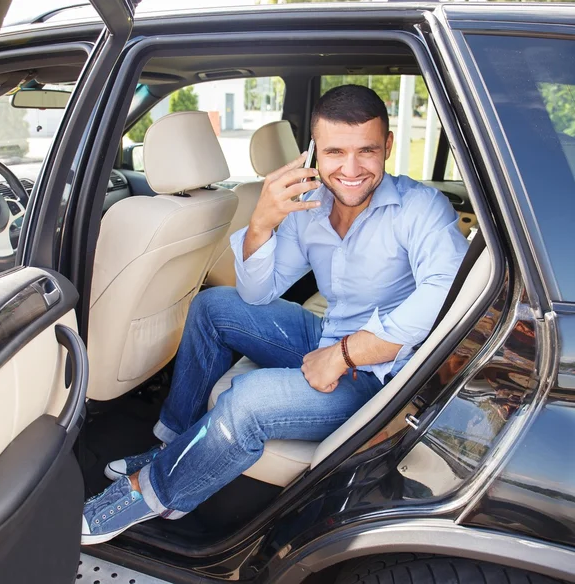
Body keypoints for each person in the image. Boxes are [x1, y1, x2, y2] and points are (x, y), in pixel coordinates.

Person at [81, 85, 469, 545]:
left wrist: (346, 354)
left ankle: (155, 493)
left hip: (380, 377)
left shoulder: (421, 208)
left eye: (366, 150)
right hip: (328, 336)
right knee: (212, 306)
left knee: (249, 402)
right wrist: (262, 222)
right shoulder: (310, 208)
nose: (350, 168)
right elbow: (257, 291)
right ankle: (175, 447)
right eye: (335, 152)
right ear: (314, 152)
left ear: (386, 146)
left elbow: (446, 295)